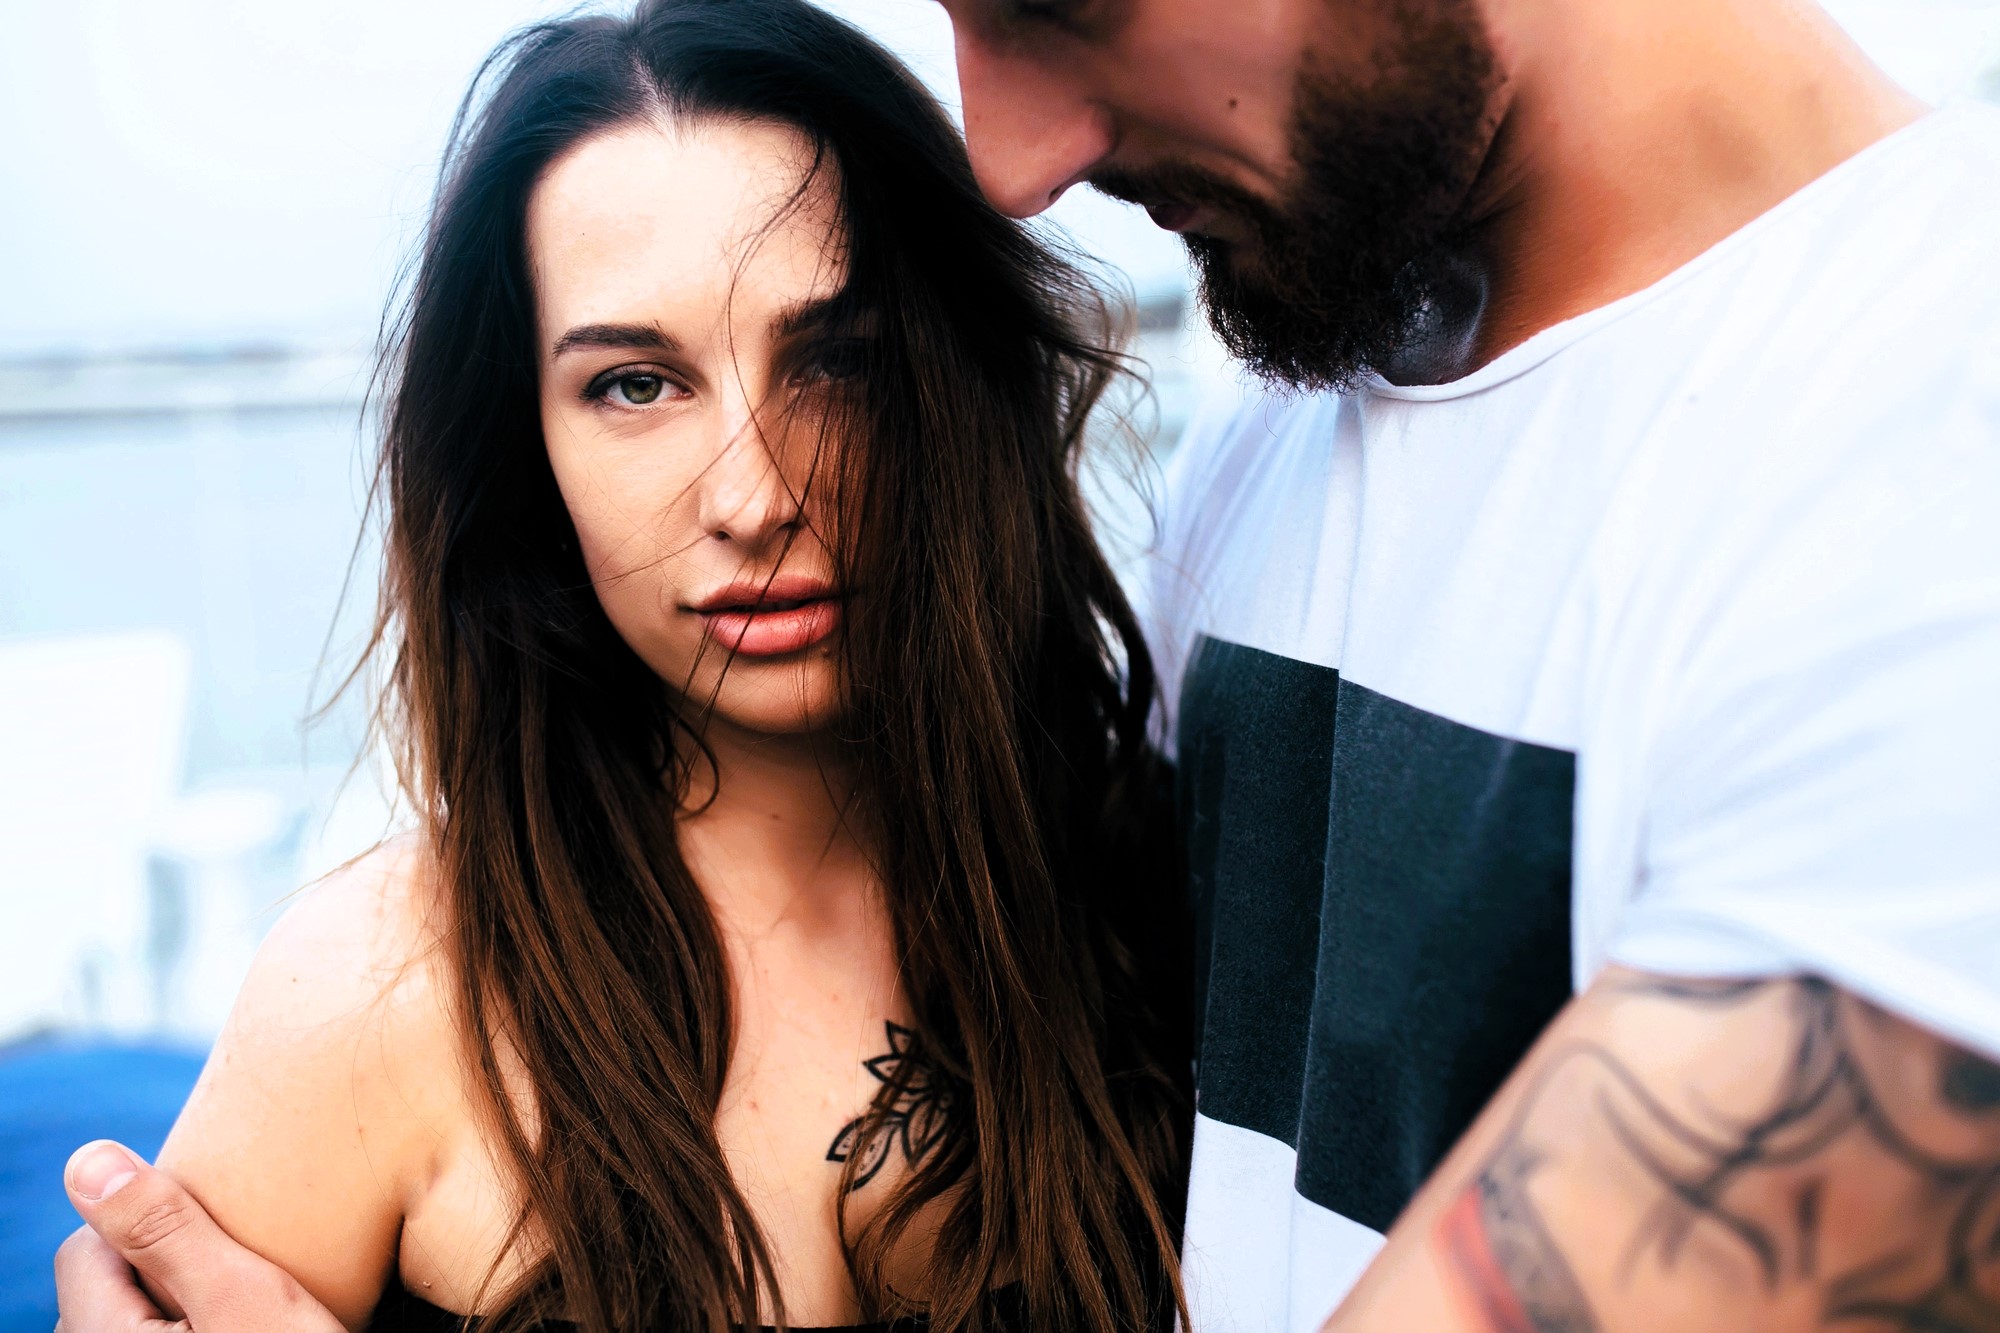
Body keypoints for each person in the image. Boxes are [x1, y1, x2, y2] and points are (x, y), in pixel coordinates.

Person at [52, 0, 2000, 1331]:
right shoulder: (1273, 461)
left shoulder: (1922, 469)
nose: (1004, 155)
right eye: (630, 381)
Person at [52, 1, 1194, 1330]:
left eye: (835, 360)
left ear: (951, 384)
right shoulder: (379, 993)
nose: (756, 497)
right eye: (636, 385)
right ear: (524, 445)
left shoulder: (1145, 893)